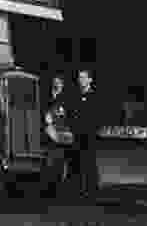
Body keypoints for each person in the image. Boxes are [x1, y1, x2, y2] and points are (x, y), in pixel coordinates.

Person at [69, 69, 102, 198]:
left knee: (89, 162)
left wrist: (92, 129)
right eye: (79, 77)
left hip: (89, 135)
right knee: (76, 162)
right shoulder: (75, 96)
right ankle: (77, 190)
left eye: (83, 77)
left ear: (90, 80)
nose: (80, 80)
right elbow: (72, 114)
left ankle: (92, 190)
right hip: (77, 134)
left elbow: (97, 116)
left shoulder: (95, 96)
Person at [43, 76, 74, 194]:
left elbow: (67, 115)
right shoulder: (47, 97)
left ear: (63, 84)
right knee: (50, 160)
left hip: (62, 133)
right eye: (55, 82)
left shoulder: (67, 99)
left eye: (59, 83)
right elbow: (44, 113)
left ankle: (63, 185)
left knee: (63, 160)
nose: (57, 84)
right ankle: (51, 186)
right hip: (49, 132)